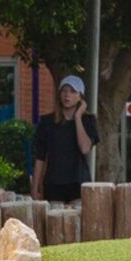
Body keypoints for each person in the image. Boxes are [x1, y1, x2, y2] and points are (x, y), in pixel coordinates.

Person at [32, 73, 95, 201]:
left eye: (73, 91)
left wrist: (77, 117)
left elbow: (84, 148)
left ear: (80, 96)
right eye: (64, 91)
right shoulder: (47, 122)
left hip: (78, 182)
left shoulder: (88, 120)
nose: (67, 95)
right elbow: (40, 157)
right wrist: (35, 188)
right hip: (53, 184)